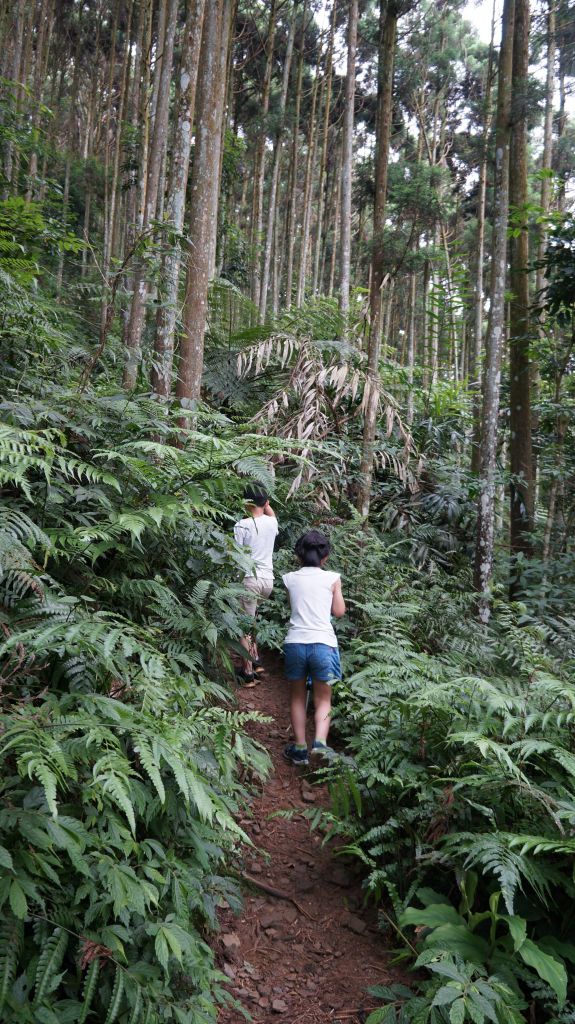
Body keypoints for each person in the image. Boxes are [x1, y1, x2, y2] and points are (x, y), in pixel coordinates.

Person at [282, 530, 345, 765]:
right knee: (324, 699)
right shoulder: (332, 578)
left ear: (299, 555)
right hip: (323, 644)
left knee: (298, 697)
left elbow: (294, 607)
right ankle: (319, 743)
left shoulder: (289, 579)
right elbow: (338, 612)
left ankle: (299, 749)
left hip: (296, 642)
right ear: (325, 556)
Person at [233, 484, 278, 685]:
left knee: (244, 626)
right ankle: (256, 660)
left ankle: (248, 672)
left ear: (246, 503)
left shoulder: (241, 525)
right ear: (266, 503)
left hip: (250, 579)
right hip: (268, 581)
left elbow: (237, 556)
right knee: (251, 622)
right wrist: (266, 504)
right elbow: (271, 512)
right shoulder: (272, 523)